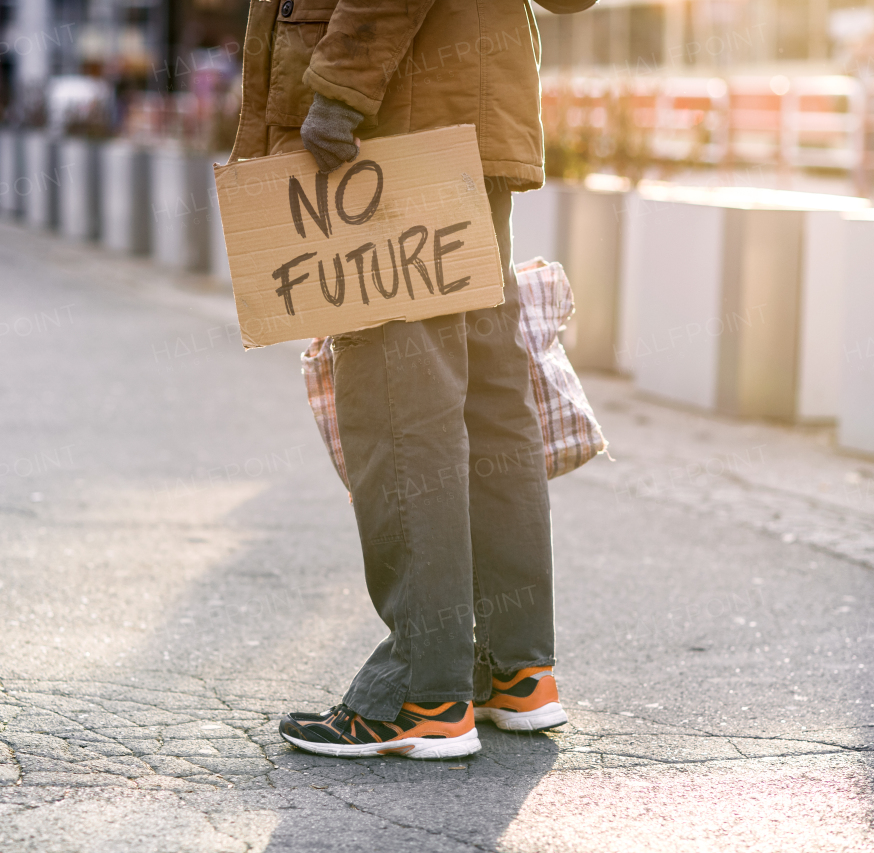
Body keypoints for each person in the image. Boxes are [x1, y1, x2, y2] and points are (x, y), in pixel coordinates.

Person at [227, 0, 597, 759]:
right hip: (470, 104)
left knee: (405, 404)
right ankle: (516, 669)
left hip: (399, 121)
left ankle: (423, 693)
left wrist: (340, 90)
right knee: (489, 396)